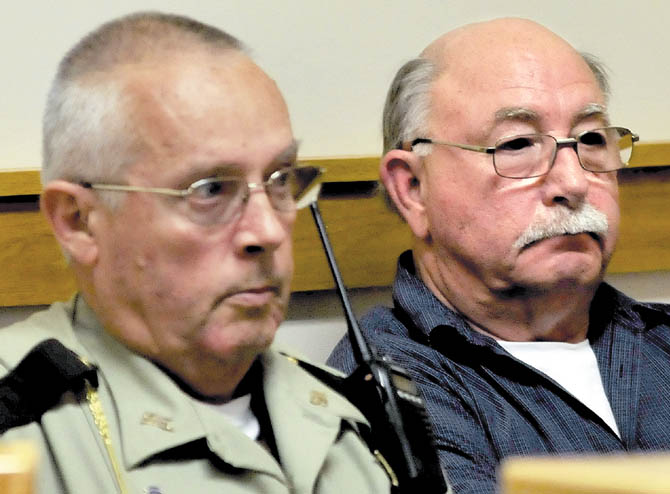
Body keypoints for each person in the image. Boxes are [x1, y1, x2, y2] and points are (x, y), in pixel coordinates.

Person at [327, 17, 670, 494]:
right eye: (517, 144)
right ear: (412, 188)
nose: (574, 183)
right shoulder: (389, 387)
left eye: (592, 140)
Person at [0, 12, 392, 493]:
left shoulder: (366, 416)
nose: (268, 230)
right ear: (79, 221)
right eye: (210, 190)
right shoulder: (19, 427)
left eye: (281, 179)